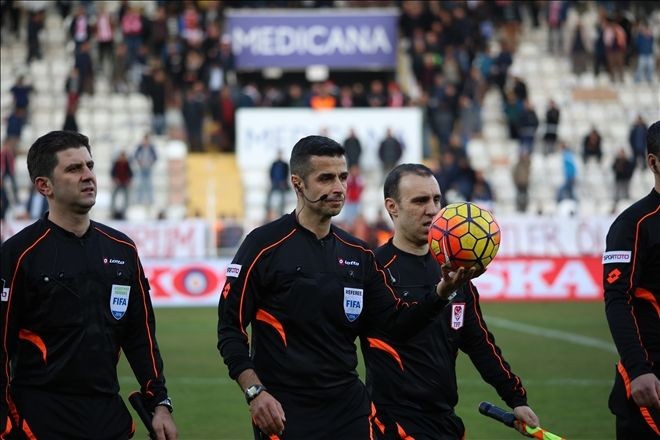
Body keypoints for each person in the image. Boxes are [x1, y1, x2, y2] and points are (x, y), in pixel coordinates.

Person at [217, 135, 476, 439]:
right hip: (284, 411)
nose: (339, 187)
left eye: (342, 177)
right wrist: (255, 392)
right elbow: (230, 328)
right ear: (297, 184)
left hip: (349, 410)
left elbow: (394, 326)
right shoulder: (263, 246)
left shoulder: (359, 252)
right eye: (325, 178)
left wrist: (440, 293)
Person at [0, 130, 177, 439]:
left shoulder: (122, 249)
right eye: (73, 168)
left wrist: (159, 404)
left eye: (90, 166)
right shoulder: (19, 254)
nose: (88, 176)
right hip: (41, 420)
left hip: (109, 419)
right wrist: (6, 424)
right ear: (44, 186)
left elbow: (140, 334)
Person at [360, 163, 539, 439]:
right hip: (393, 424)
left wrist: (516, 398)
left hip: (445, 422)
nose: (432, 210)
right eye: (420, 201)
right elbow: (397, 327)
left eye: (436, 199)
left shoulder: (454, 270)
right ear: (392, 207)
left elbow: (479, 342)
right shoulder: (373, 269)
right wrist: (440, 295)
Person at [604, 120, 660, 440]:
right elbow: (617, 299)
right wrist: (639, 369)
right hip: (651, 384)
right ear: (653, 163)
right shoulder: (633, 225)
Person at [134, 134, 158, 205]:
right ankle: (139, 199)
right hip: (141, 168)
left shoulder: (151, 147)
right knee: (140, 184)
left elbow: (155, 157)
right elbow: (135, 156)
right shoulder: (140, 147)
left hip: (148, 168)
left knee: (149, 184)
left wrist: (151, 162)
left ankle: (150, 200)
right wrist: (139, 161)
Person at [265, 150, 290, 219]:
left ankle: (281, 212)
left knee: (283, 198)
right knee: (269, 197)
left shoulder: (285, 164)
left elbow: (287, 173)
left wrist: (284, 182)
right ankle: (268, 210)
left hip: (282, 183)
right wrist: (271, 182)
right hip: (275, 183)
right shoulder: (274, 163)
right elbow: (271, 173)